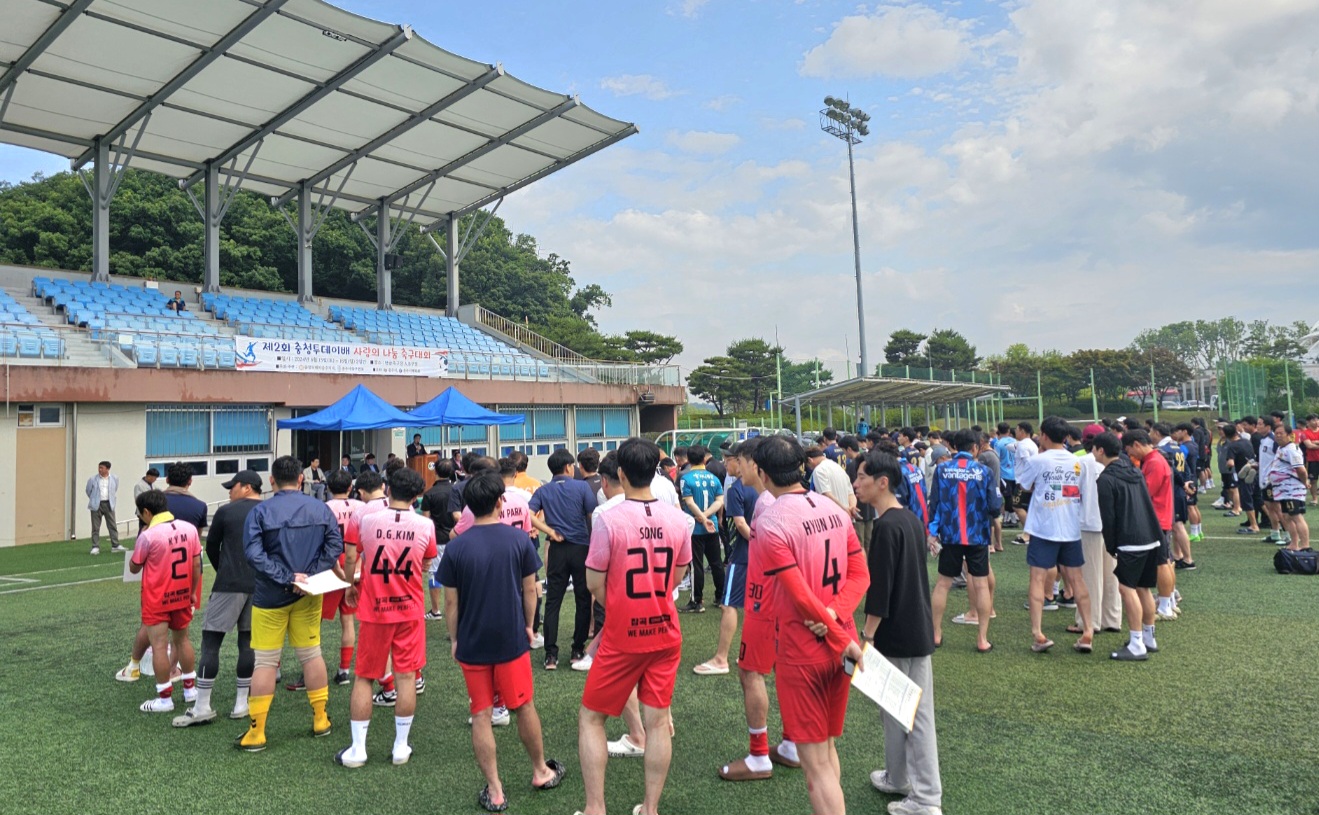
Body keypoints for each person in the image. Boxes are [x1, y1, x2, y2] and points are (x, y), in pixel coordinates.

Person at [577, 438, 692, 815]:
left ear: (621, 474)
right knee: (657, 722)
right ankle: (651, 808)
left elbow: (594, 582)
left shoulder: (607, 518)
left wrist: (621, 607)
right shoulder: (678, 519)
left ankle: (596, 808)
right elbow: (678, 575)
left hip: (624, 634)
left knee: (592, 717)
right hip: (664, 629)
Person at [755, 435, 869, 815]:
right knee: (827, 750)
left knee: (815, 765)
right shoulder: (833, 509)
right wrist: (837, 618)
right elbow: (859, 575)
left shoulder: (770, 521)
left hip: (804, 649)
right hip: (842, 642)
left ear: (761, 472)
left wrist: (832, 626)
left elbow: (801, 597)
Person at [439, 471, 564, 808]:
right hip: (510, 637)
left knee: (481, 713)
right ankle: (540, 771)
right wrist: (528, 626)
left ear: (467, 506)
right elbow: (530, 590)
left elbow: (451, 602)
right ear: (499, 502)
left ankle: (495, 791)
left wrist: (454, 639)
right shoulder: (520, 541)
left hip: (472, 639)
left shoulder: (456, 546)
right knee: (523, 705)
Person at [854, 451, 943, 815]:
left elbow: (881, 590)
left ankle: (926, 799)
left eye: (861, 477)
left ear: (882, 482)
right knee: (896, 712)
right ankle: (898, 778)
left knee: (914, 717)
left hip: (898, 634)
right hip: (914, 629)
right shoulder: (906, 519)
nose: (856, 483)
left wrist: (868, 635)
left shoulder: (889, 526)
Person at [237, 455, 343, 752]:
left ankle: (257, 732)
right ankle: (320, 719)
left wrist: (288, 577)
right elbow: (335, 546)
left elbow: (254, 555)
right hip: (308, 594)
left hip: (271, 596)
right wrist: (307, 576)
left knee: (266, 662)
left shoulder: (260, 512)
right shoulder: (320, 508)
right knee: (311, 655)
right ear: (301, 479)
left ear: (271, 480)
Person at [334, 468, 436, 769]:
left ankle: (358, 749)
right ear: (416, 496)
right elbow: (427, 562)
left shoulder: (366, 520)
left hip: (376, 608)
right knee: (406, 676)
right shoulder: (425, 525)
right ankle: (400, 747)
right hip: (409, 608)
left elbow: (352, 556)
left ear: (387, 488)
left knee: (365, 676)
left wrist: (351, 585)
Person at [173, 470, 261, 727]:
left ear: (246, 487)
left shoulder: (226, 511)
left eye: (232, 487)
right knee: (248, 643)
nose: (229, 491)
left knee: (211, 643)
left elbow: (211, 546)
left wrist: (224, 568)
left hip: (229, 584)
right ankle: (241, 704)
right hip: (259, 586)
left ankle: (202, 706)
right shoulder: (269, 510)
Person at [1016, 416, 1094, 653]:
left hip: (1043, 529)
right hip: (1070, 529)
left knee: (1037, 580)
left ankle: (1038, 633)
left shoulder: (1039, 461)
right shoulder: (1078, 462)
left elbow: (1024, 485)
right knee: (1077, 580)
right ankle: (1088, 630)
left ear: (1045, 436)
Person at [927, 429, 1001, 653]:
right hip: (977, 535)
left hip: (949, 535)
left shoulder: (941, 470)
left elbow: (935, 504)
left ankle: (936, 634)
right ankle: (982, 639)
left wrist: (933, 532)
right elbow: (995, 506)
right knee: (980, 585)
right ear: (976, 447)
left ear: (954, 446)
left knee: (942, 584)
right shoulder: (984, 471)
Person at [129, 489, 202, 714]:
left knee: (159, 645)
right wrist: (191, 592)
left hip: (157, 598)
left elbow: (134, 566)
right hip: (181, 594)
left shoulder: (148, 535)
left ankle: (165, 698)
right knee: (183, 641)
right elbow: (197, 564)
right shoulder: (189, 528)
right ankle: (190, 690)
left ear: (147, 512)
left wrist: (141, 535)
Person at [1093, 433, 1163, 661]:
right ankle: (1148, 637)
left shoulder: (1106, 479)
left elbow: (1109, 517)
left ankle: (1136, 644)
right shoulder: (1134, 471)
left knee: (1127, 589)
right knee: (1143, 588)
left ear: (1100, 450)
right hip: (1150, 536)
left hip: (1130, 541)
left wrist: (1112, 545)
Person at [529, 449, 598, 671]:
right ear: (569, 466)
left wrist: (548, 529)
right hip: (581, 548)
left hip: (557, 549)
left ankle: (551, 654)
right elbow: (592, 515)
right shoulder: (581, 487)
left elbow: (528, 514)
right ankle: (577, 649)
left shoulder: (544, 490)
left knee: (553, 602)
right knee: (583, 599)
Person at [1123, 430, 1179, 621]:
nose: (1131, 454)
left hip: (1157, 518)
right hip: (1162, 517)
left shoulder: (1154, 462)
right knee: (1166, 561)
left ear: (1137, 444)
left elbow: (1146, 492)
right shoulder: (1156, 459)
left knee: (1162, 563)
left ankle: (1165, 606)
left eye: (1130, 449)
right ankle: (1168, 602)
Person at [318, 470, 364, 687]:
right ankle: (344, 670)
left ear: (327, 488)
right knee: (348, 621)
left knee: (313, 622)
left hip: (331, 568)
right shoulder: (361, 507)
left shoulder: (324, 508)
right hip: (355, 567)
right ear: (350, 488)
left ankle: (312, 669)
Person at [1075, 428, 1122, 636]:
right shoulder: (1119, 464)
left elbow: (1074, 492)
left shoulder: (1083, 462)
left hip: (1090, 523)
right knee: (1111, 573)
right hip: (1112, 524)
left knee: (1090, 575)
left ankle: (1089, 620)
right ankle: (1112, 618)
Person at [679, 445, 725, 614]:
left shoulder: (686, 478)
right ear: (705, 458)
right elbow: (720, 501)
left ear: (689, 460)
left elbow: (689, 502)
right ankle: (721, 597)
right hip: (712, 526)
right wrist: (707, 517)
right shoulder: (714, 478)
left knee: (696, 564)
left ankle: (697, 601)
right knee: (716, 563)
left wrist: (701, 518)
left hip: (695, 527)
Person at [420, 459, 456, 621]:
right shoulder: (457, 491)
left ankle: (435, 610)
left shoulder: (429, 494)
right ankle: (457, 605)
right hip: (456, 537)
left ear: (436, 472)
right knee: (457, 573)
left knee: (434, 573)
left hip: (438, 538)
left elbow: (426, 521)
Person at [1270, 423, 1310, 552]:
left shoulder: (1291, 450)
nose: (1278, 436)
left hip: (1292, 489)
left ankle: (1305, 545)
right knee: (1287, 516)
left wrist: (1304, 482)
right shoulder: (1282, 448)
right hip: (1283, 490)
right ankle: (1294, 543)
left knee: (1296, 516)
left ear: (1289, 435)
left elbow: (1301, 470)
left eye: (1281, 433)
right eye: (1276, 433)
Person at [807, 445, 858, 519]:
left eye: (808, 465)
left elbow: (826, 494)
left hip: (833, 518)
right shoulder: (838, 467)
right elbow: (850, 493)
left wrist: (844, 509)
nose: (810, 468)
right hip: (847, 517)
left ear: (810, 460)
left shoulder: (818, 470)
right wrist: (852, 507)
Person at [86, 460, 122, 555]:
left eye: (102, 468)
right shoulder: (93, 479)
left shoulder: (114, 478)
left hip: (109, 504)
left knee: (112, 525)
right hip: (96, 505)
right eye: (99, 467)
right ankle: (95, 547)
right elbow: (88, 490)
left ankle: (115, 545)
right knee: (95, 527)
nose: (100, 470)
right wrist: (94, 499)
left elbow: (115, 489)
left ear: (108, 469)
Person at [163, 462, 208, 533]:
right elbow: (196, 539)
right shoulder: (200, 506)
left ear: (167, 479)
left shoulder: (153, 502)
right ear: (190, 481)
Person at [133, 468, 160, 533]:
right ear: (149, 476)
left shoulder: (152, 485)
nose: (155, 480)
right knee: (143, 529)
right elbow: (138, 500)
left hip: (151, 511)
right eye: (154, 478)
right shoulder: (139, 485)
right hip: (143, 511)